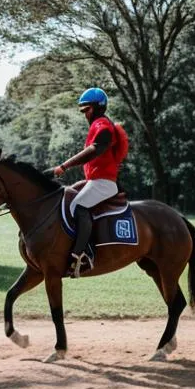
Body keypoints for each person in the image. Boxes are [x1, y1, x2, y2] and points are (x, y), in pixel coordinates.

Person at [52, 87, 127, 277]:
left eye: (87, 109)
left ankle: (81, 254)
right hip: (95, 180)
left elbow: (94, 150)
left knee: (78, 206)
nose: (85, 114)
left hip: (103, 182)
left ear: (97, 107)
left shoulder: (102, 124)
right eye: (83, 110)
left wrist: (64, 166)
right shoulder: (98, 124)